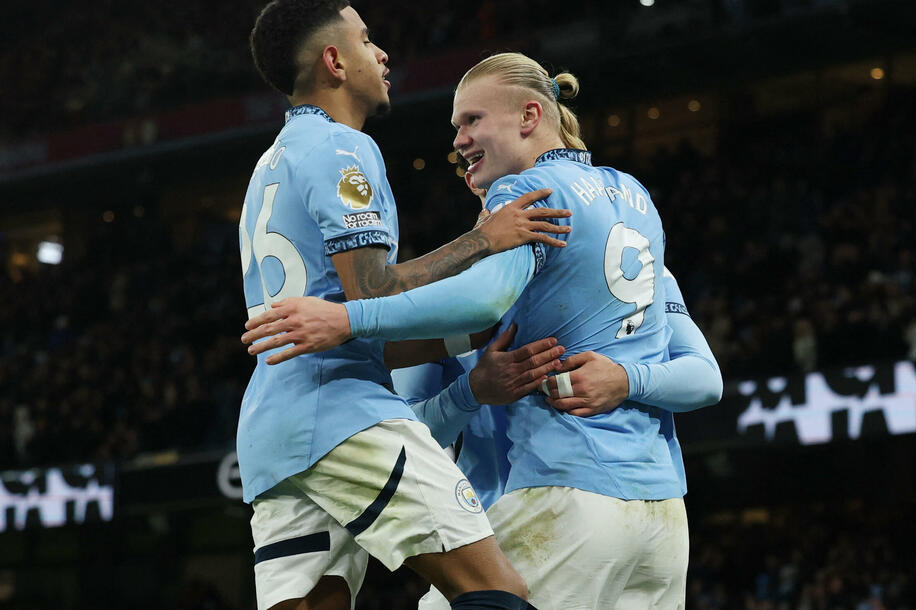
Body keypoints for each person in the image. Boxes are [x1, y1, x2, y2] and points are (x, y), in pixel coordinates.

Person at [243, 52, 723, 608]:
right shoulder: (634, 205)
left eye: (472, 120)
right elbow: (704, 377)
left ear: (529, 116)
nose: (459, 140)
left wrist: (348, 318)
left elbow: (482, 302)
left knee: (486, 595)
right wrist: (482, 389)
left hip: (558, 493)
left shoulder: (521, 202)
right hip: (662, 517)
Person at [240, 0, 572, 610]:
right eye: (367, 40)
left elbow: (351, 326)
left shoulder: (269, 164)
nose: (382, 53)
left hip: (271, 429)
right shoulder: (342, 148)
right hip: (342, 414)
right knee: (494, 588)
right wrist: (484, 239)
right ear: (335, 62)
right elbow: (370, 294)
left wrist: (469, 348)